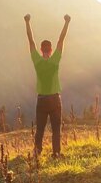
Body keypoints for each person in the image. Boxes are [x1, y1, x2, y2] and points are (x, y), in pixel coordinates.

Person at [25, 13, 70, 157]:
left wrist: (27, 22)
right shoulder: (55, 60)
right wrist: (67, 23)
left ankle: (37, 153)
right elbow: (61, 40)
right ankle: (56, 154)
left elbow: (30, 41)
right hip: (55, 99)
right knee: (56, 130)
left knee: (40, 130)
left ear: (40, 50)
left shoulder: (37, 61)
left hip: (42, 100)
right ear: (50, 50)